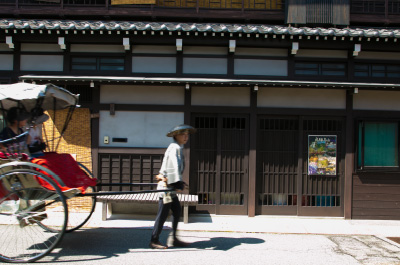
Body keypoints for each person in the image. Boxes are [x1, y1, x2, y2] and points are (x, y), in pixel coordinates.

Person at [149, 124, 196, 249]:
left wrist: (178, 182)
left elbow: (175, 169)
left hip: (170, 187)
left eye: (187, 134)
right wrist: (177, 183)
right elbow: (172, 167)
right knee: (163, 214)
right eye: (182, 134)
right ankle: (154, 240)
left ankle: (174, 238)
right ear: (176, 136)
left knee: (176, 210)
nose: (186, 136)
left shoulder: (178, 147)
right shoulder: (174, 147)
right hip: (166, 187)